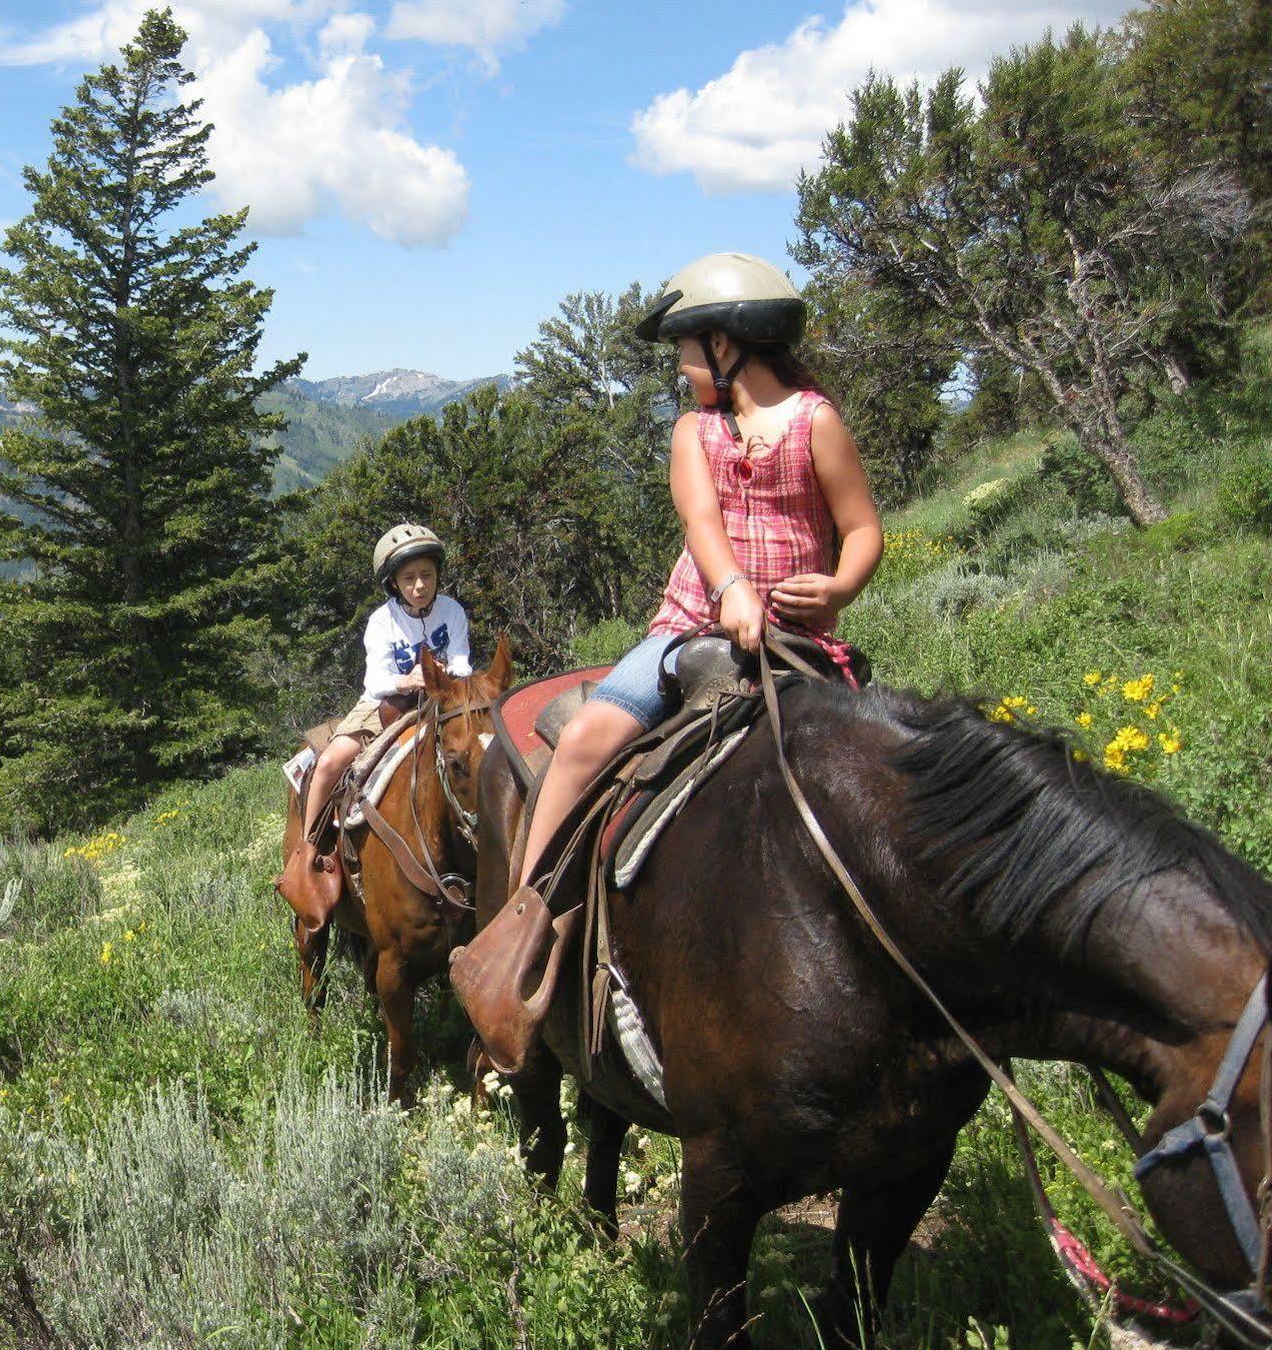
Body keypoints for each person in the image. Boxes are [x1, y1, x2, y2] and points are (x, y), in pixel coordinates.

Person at [472, 252, 882, 946]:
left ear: (723, 344)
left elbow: (861, 525)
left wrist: (840, 585)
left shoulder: (815, 422)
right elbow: (700, 519)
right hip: (689, 626)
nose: (679, 367)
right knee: (582, 740)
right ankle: (521, 926)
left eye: (684, 351)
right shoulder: (694, 430)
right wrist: (730, 591)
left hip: (796, 636)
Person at [278, 523, 473, 932]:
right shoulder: (381, 622)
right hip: (386, 704)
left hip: (442, 700)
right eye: (409, 578)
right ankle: (308, 852)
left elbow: (461, 662)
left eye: (427, 575)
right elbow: (376, 681)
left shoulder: (452, 611)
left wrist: (444, 680)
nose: (420, 585)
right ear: (393, 583)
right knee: (332, 760)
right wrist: (410, 680)